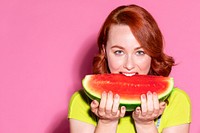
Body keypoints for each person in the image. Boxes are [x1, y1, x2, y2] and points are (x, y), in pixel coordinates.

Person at [68, 4, 191, 133]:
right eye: (119, 52)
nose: (129, 65)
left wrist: (146, 125)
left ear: (152, 53)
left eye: (140, 52)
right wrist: (106, 123)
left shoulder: (177, 101)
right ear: (104, 51)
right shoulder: (81, 102)